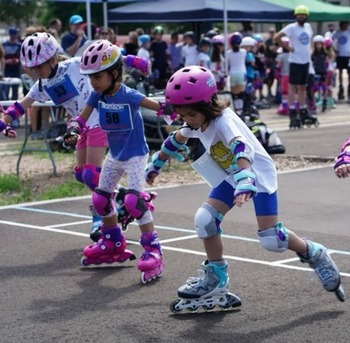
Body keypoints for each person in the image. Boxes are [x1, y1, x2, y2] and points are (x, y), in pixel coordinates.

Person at [145, 65, 345, 313]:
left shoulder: (224, 121)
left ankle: (314, 253)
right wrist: (157, 163)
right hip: (232, 177)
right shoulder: (197, 121)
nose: (188, 121)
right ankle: (216, 278)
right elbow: (178, 137)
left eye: (190, 115)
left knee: (271, 239)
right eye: (183, 116)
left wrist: (245, 179)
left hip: (256, 176)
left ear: (206, 105)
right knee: (205, 220)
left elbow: (240, 147)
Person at [0, 32, 150, 241]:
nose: (35, 71)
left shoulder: (74, 65)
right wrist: (3, 122)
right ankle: (124, 196)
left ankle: (100, 219)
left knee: (91, 174)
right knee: (81, 174)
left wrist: (132, 60)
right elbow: (19, 106)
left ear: (53, 59)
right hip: (79, 127)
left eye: (39, 66)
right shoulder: (41, 85)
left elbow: (105, 58)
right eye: (31, 67)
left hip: (99, 119)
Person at [63, 40, 165, 283]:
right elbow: (82, 117)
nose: (92, 82)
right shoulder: (97, 95)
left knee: (133, 201)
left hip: (136, 156)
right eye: (90, 77)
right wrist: (74, 129)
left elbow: (157, 106)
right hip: (115, 156)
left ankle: (153, 249)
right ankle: (112, 240)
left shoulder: (128, 94)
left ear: (114, 73)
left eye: (97, 77)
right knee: (99, 198)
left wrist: (175, 109)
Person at [274, 5, 318, 129]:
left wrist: (312, 48)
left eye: (303, 15)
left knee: (303, 87)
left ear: (307, 16)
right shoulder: (292, 27)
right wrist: (288, 48)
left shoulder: (308, 27)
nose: (301, 17)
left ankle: (303, 109)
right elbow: (276, 37)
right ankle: (293, 110)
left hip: (306, 61)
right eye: (299, 15)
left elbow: (311, 39)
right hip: (295, 61)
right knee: (293, 87)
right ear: (296, 16)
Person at [332, 21, 350, 102]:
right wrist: (335, 50)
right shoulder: (337, 33)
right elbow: (331, 42)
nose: (345, 26)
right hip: (340, 55)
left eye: (346, 24)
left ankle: (349, 88)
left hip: (348, 55)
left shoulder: (349, 32)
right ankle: (341, 86)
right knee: (340, 72)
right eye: (344, 25)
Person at [2, 27, 22, 101]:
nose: (13, 36)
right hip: (6, 69)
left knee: (15, 90)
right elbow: (2, 57)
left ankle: (15, 107)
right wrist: (6, 61)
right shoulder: (4, 44)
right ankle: (5, 108)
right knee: (5, 90)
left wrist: (18, 60)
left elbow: (21, 57)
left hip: (16, 69)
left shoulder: (19, 45)